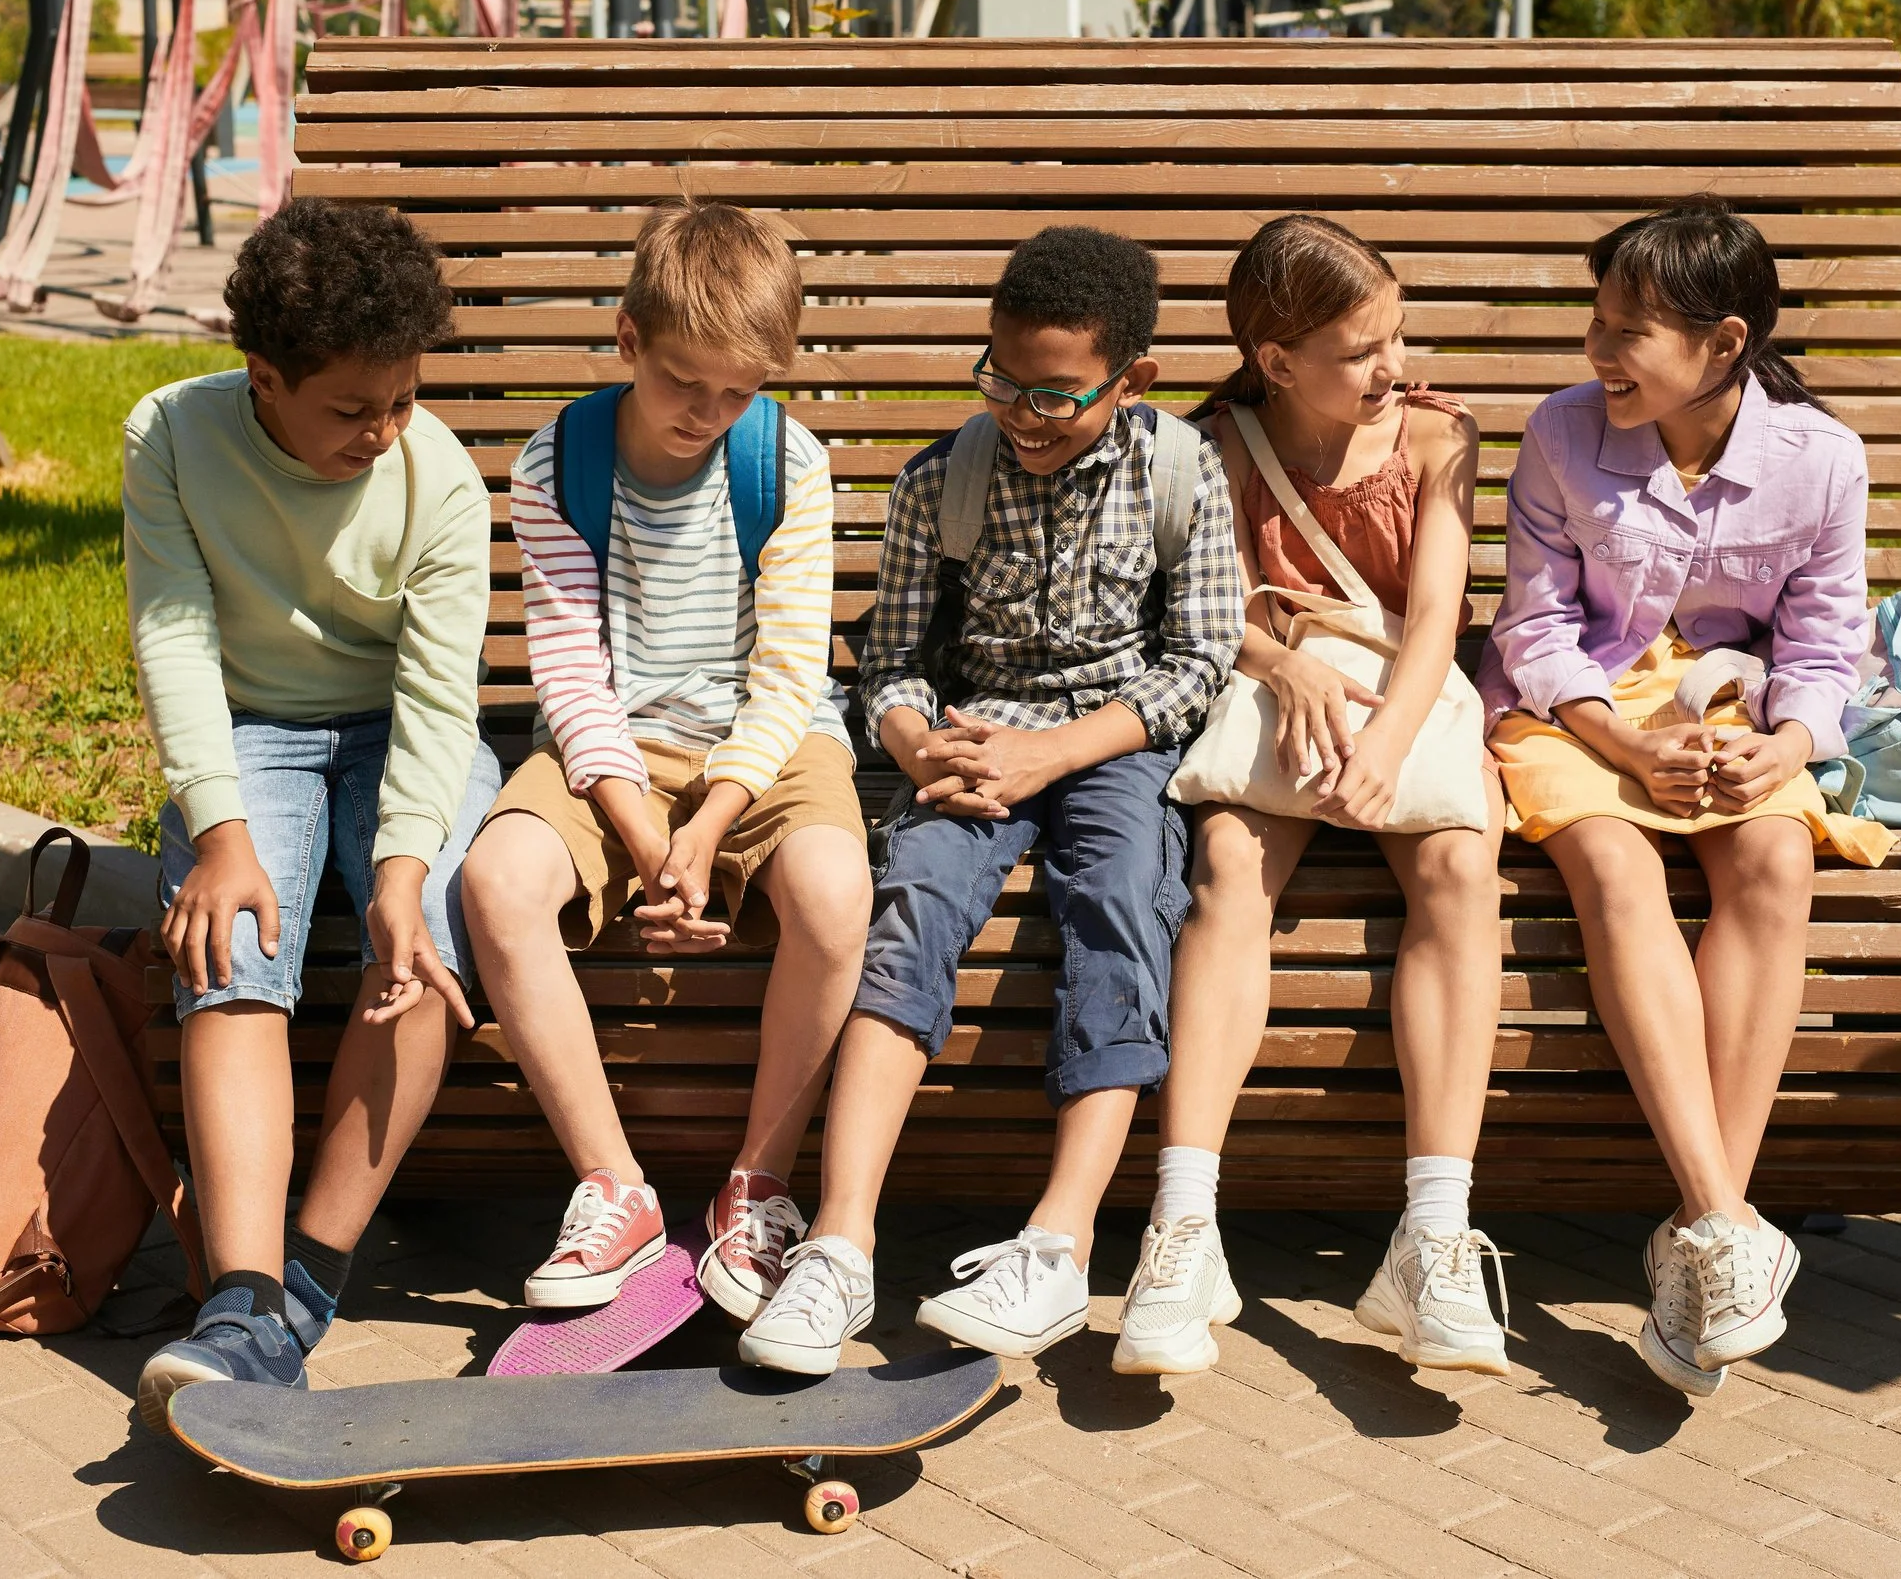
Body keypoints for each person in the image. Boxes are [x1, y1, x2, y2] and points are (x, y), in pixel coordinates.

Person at [737, 225, 1243, 1376]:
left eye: (1056, 395)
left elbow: (1199, 659)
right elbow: (894, 660)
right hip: (972, 737)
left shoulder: (1180, 471)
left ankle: (1057, 1247)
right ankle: (838, 1244)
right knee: (910, 892)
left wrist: (1057, 750)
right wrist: (917, 746)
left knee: (1119, 901)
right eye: (1000, 380)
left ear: (1133, 380)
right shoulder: (940, 479)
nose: (1022, 411)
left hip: (1113, 742)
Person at [1475, 194, 1893, 1397]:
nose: (1597, 355)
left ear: (1722, 344)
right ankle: (1720, 1222)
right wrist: (1620, 745)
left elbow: (1823, 645)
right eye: (1595, 324)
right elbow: (1536, 627)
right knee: (1611, 861)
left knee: (1773, 858)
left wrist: (1791, 747)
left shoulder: (1819, 461)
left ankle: (1702, 1243)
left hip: (1730, 711)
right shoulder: (1561, 435)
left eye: (1627, 333)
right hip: (1575, 709)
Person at [458, 201, 871, 1324]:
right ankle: (615, 1187)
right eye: (688, 380)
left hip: (766, 745)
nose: (711, 412)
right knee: (496, 881)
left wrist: (706, 822)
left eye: (739, 389)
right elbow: (569, 667)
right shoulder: (562, 459)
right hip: (614, 744)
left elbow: (791, 676)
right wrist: (645, 834)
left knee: (836, 896)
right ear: (629, 340)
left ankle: (759, 1183)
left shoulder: (784, 457)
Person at [1119, 216, 1511, 1378]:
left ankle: (1432, 1235)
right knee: (1228, 864)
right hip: (1273, 688)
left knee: (1455, 861)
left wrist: (1388, 741)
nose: (1391, 365)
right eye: (1360, 348)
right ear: (1277, 359)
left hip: (1404, 689)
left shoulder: (1440, 435)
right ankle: (1182, 1224)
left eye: (1396, 333)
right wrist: (1279, 662)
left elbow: (1435, 614)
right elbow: (1189, 603)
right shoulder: (1215, 441)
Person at [129, 200, 499, 1422]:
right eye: (351, 408)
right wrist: (222, 835)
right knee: (229, 939)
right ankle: (237, 1296)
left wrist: (400, 869)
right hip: (253, 734)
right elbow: (174, 639)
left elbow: (441, 701)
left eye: (401, 399)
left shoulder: (436, 473)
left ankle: (308, 1283)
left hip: (400, 731)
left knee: (432, 921)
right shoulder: (171, 435)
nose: (384, 431)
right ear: (264, 376)